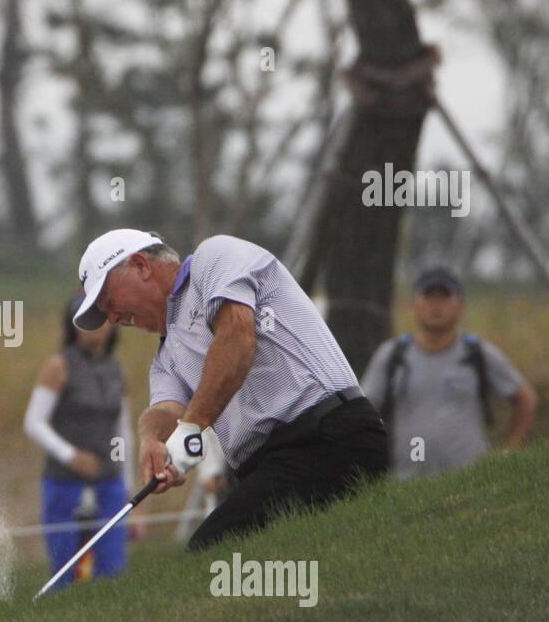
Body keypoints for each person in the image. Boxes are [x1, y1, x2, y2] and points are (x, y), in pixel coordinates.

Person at [72, 229, 387, 551]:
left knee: (212, 551)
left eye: (110, 302)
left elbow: (237, 338)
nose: (112, 318)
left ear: (140, 265)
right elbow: (165, 409)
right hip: (269, 467)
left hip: (328, 435)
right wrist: (153, 441)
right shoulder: (166, 357)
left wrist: (190, 429)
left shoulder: (215, 258)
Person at [361, 266, 536, 480]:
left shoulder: (479, 353)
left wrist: (509, 450)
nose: (436, 305)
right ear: (414, 305)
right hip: (406, 486)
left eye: (444, 297)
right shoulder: (391, 355)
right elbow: (364, 414)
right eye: (428, 296)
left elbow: (526, 399)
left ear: (460, 305)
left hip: (471, 482)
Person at [24, 296, 136, 588]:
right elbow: (34, 422)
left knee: (112, 571)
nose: (94, 328)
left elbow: (123, 431)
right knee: (64, 572)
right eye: (84, 320)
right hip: (65, 482)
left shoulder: (117, 371)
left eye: (100, 320)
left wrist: (129, 483)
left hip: (108, 481)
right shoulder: (59, 366)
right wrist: (70, 455)